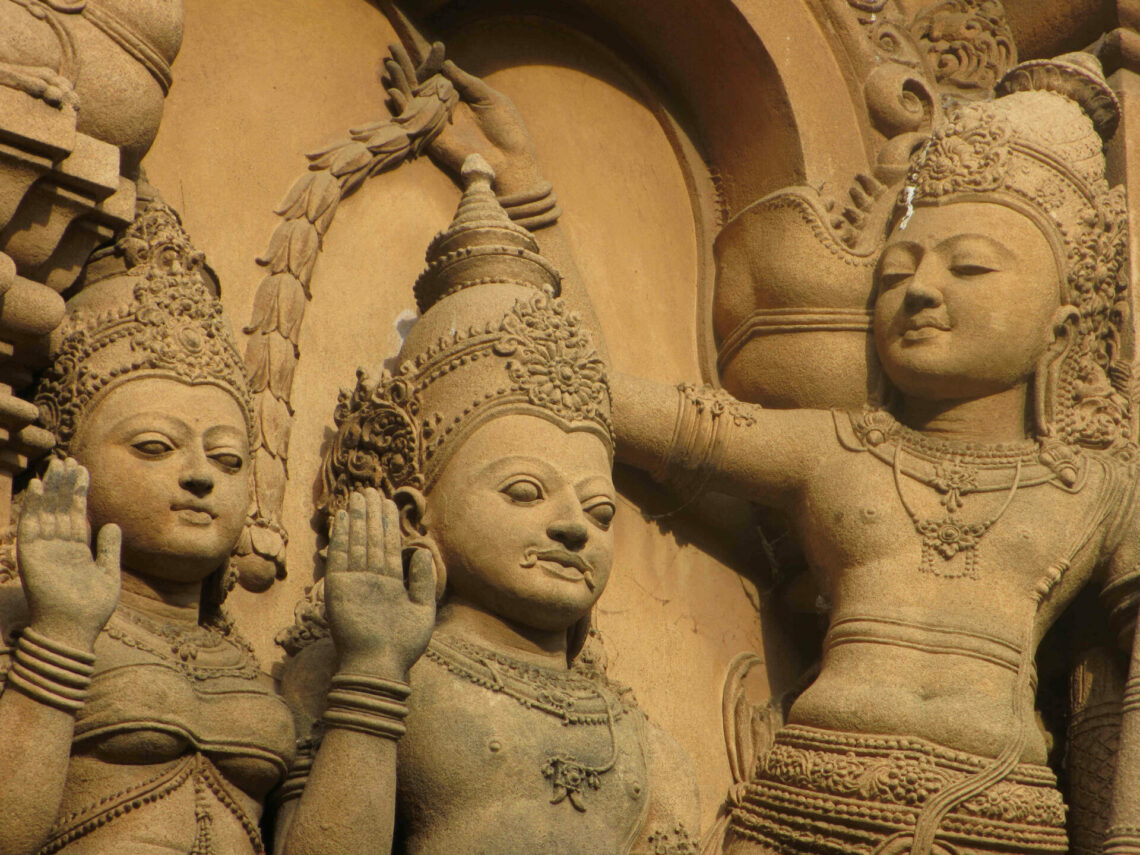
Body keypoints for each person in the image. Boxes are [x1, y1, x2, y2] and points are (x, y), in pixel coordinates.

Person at [412, 47, 1139, 855]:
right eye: (898, 272)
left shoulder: (1100, 490)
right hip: (809, 802)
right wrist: (528, 195)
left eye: (969, 267)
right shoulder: (837, 451)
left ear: (1062, 329)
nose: (922, 290)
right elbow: (592, 391)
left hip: (1000, 817)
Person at [275, 155, 700, 855]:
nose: (571, 527)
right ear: (415, 515)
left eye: (599, 512)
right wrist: (376, 667)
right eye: (524, 491)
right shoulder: (362, 666)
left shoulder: (648, 748)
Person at [0, 198, 434, 855]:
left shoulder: (253, 669)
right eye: (154, 446)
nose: (201, 475)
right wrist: (58, 635)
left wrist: (374, 666)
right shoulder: (24, 613)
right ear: (68, 457)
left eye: (229, 458)